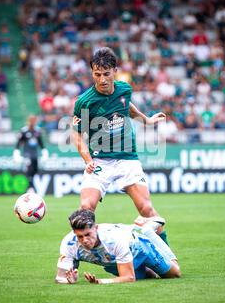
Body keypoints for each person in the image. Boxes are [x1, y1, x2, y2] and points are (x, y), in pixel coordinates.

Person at [72, 47, 168, 242]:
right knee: (85, 209)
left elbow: (127, 107)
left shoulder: (125, 89)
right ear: (92, 72)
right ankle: (74, 261)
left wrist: (146, 120)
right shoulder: (84, 101)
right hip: (99, 161)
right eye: (97, 74)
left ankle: (167, 255)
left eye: (106, 74)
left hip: (127, 159)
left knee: (147, 210)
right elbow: (76, 135)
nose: (102, 79)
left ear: (115, 71)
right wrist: (87, 160)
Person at [55, 209, 181, 285]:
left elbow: (128, 278)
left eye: (88, 234)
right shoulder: (69, 243)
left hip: (139, 245)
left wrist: (101, 281)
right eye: (80, 236)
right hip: (114, 261)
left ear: (96, 228)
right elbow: (60, 278)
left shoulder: (113, 240)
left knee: (174, 274)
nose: (85, 240)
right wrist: (69, 280)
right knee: (149, 277)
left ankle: (147, 229)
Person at [13, 115, 48, 192]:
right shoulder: (24, 131)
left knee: (35, 170)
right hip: (27, 154)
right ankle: (30, 187)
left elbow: (41, 143)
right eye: (31, 120)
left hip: (35, 154)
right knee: (29, 169)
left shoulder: (37, 131)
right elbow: (18, 143)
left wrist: (44, 152)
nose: (32, 122)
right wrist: (16, 153)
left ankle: (30, 186)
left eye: (34, 120)